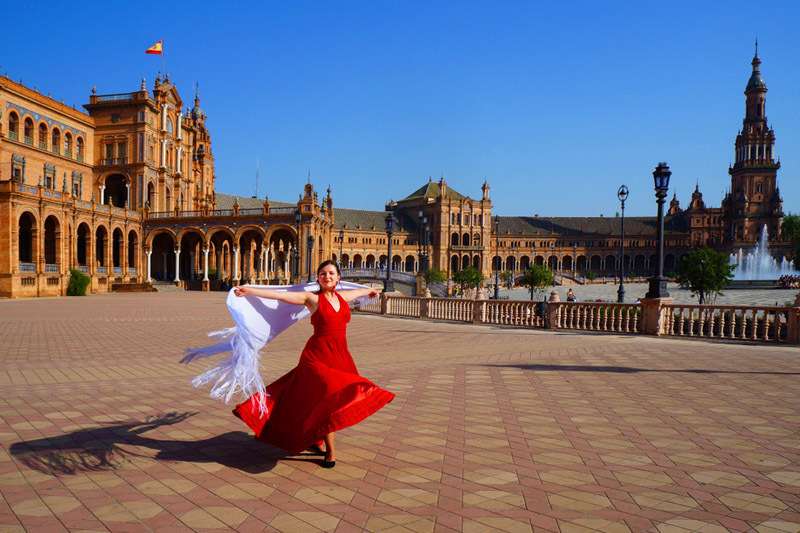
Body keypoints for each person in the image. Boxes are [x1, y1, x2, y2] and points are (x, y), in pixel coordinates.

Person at [231, 260, 394, 468]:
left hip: (340, 356)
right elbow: (282, 295)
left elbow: (359, 293)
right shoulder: (312, 299)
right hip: (316, 357)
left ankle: (315, 437)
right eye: (323, 273)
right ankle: (331, 452)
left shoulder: (342, 297)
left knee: (326, 400)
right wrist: (251, 291)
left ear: (338, 278)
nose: (327, 276)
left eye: (331, 273)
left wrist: (369, 292)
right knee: (327, 394)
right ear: (318, 278)